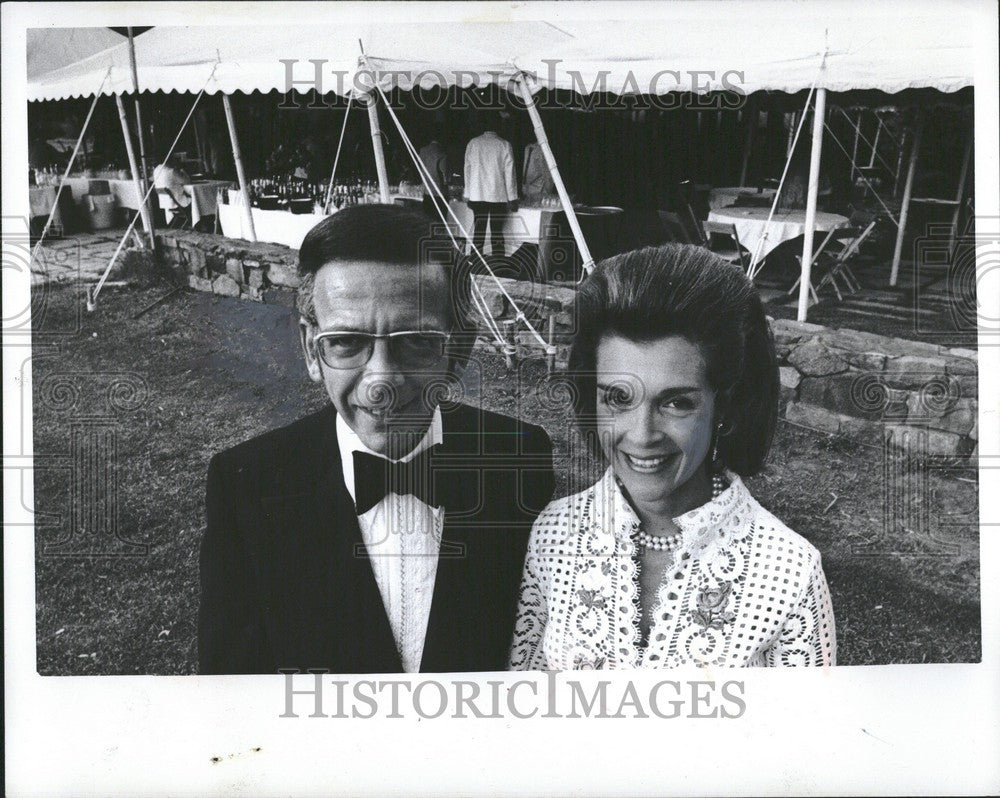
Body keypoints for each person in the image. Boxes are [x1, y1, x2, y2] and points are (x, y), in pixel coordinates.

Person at [199, 204, 555, 674]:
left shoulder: (519, 457)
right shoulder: (246, 485)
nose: (382, 381)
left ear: (459, 349)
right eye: (347, 342)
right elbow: (232, 693)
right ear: (311, 349)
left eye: (417, 340)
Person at [510, 244, 836, 669]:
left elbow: (807, 733)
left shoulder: (789, 574)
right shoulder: (552, 534)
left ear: (726, 406)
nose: (642, 435)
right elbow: (523, 707)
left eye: (676, 403)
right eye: (617, 398)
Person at [463, 114, 518, 257]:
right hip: (497, 196)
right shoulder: (504, 144)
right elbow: (509, 174)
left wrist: (467, 193)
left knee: (478, 230)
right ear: (499, 126)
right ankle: (499, 262)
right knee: (497, 231)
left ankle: (475, 261)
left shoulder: (473, 143)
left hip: (477, 194)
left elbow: (467, 169)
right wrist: (512, 197)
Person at [152, 155, 192, 222]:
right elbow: (187, 181)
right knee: (197, 197)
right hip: (177, 202)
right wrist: (182, 170)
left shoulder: (156, 170)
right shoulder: (171, 171)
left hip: (165, 202)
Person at [418, 136, 450, 219]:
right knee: (439, 220)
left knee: (427, 219)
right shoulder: (441, 152)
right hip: (439, 192)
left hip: (426, 191)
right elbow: (444, 173)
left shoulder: (423, 151)